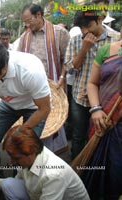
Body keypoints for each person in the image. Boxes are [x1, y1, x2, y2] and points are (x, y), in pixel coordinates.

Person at [0, 39, 51, 178]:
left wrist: (20, 132)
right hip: (8, 104)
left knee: (22, 148)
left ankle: (19, 181)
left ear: (4, 68)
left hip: (33, 107)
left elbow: (44, 108)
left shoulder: (29, 71)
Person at [0, 128, 90, 200]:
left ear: (31, 152)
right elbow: (16, 182)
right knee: (8, 184)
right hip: (39, 194)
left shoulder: (53, 174)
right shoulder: (30, 157)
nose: (12, 162)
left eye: (16, 158)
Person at [64, 9, 120, 159]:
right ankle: (77, 170)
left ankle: (94, 169)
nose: (84, 31)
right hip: (79, 99)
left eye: (87, 25)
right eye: (81, 27)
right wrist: (84, 48)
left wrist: (95, 92)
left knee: (100, 136)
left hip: (106, 100)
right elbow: (70, 69)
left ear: (100, 19)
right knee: (78, 136)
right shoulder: (76, 40)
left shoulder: (115, 39)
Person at [16, 3, 70, 154]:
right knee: (34, 125)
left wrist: (62, 77)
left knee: (53, 124)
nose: (27, 25)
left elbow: (66, 59)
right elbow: (21, 61)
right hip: (31, 90)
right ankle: (34, 159)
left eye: (29, 21)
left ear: (39, 15)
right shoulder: (24, 38)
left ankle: (50, 164)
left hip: (54, 88)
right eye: (24, 22)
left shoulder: (59, 33)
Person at [84, 40, 122, 199]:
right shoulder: (106, 51)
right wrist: (96, 109)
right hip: (101, 120)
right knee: (95, 168)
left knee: (116, 171)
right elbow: (92, 83)